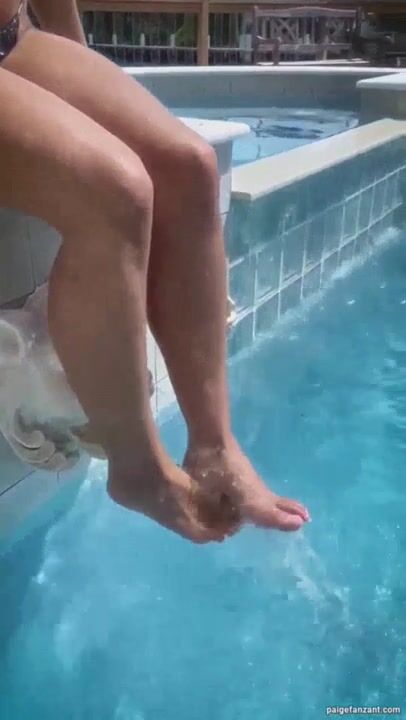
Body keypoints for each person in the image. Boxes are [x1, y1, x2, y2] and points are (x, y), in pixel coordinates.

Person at [0, 0, 309, 542]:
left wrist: (76, 73)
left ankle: (215, 446)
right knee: (114, 195)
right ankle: (137, 469)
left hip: (12, 35)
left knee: (189, 167)